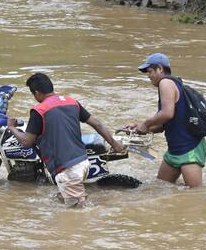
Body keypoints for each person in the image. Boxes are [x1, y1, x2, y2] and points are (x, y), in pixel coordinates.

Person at [7, 72, 125, 207]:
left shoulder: (39, 110)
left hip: (68, 169)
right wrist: (114, 144)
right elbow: (97, 124)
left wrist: (12, 127)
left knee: (78, 213)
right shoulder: (71, 102)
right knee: (66, 200)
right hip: (83, 162)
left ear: (37, 93)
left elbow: (27, 141)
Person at [129, 53, 206, 188]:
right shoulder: (171, 85)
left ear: (160, 68)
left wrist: (145, 123)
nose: (148, 75)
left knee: (196, 195)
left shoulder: (165, 83)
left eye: (150, 71)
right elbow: (164, 125)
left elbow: (167, 113)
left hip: (189, 148)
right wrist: (141, 128)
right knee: (160, 187)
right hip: (174, 150)